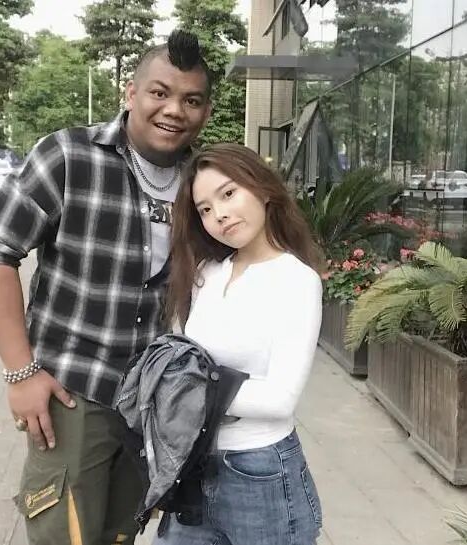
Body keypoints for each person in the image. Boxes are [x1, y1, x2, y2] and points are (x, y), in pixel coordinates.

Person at [0, 30, 212, 545]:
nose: (174, 110)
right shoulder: (69, 155)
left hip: (149, 403)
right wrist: (20, 373)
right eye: (160, 92)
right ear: (131, 92)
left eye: (191, 100)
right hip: (73, 394)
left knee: (120, 535)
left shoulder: (204, 182)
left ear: (205, 111)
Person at [158, 143, 324, 545]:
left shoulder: (296, 281)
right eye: (205, 209)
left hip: (260, 474)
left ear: (262, 188)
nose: (219, 214)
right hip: (194, 464)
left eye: (228, 193)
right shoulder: (205, 273)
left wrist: (186, 389)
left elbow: (279, 399)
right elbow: (180, 357)